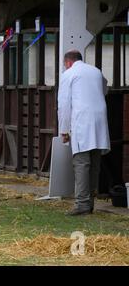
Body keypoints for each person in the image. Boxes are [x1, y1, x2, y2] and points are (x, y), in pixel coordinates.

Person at [58, 50, 110, 216]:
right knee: (95, 162)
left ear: (68, 63)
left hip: (82, 120)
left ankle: (82, 204)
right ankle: (90, 202)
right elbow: (105, 89)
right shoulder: (96, 71)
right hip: (100, 119)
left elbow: (64, 105)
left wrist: (64, 129)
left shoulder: (69, 74)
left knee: (81, 162)